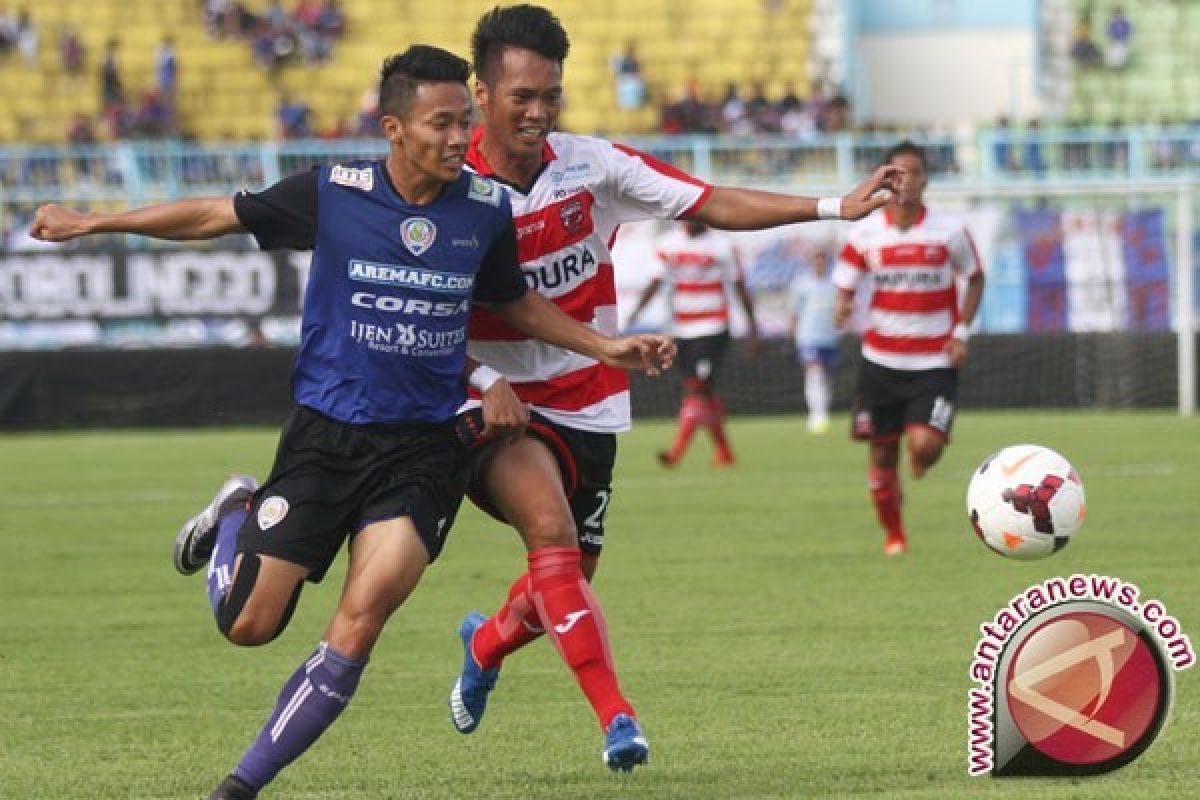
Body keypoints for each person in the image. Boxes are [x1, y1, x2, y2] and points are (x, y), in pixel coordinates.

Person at [28, 45, 673, 800]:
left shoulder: (484, 210)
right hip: (326, 439)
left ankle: (238, 788)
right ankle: (239, 509)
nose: (459, 138)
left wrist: (605, 346)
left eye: (464, 122)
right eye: (442, 124)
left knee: (361, 621)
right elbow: (217, 213)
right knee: (250, 626)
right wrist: (95, 220)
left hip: (424, 454)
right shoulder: (336, 193)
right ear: (394, 128)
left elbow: (514, 304)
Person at [446, 3, 900, 773]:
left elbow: (710, 200)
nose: (537, 111)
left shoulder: (593, 166)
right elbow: (421, 309)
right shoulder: (446, 192)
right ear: (480, 94)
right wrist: (484, 377)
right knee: (552, 539)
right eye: (521, 95)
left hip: (589, 393)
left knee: (566, 578)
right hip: (494, 402)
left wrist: (834, 207)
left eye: (549, 95)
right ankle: (617, 718)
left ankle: (486, 640)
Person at [832, 140, 985, 556]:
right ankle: (894, 535)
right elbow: (844, 282)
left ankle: (920, 459)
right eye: (898, 173)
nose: (907, 181)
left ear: (926, 179)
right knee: (881, 454)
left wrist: (961, 333)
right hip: (879, 361)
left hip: (934, 360)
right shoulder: (864, 233)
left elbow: (975, 277)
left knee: (925, 446)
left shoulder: (949, 232)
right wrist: (842, 304)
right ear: (885, 178)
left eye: (915, 172)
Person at [626, 218, 758, 466]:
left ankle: (675, 453)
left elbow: (740, 286)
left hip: (712, 328)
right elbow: (655, 281)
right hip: (681, 330)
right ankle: (725, 452)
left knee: (695, 390)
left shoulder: (723, 246)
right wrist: (635, 312)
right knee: (703, 394)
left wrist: (752, 327)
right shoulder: (668, 244)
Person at [788, 244, 839, 434]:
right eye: (816, 257)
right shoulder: (801, 284)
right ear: (811, 261)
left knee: (826, 377)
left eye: (822, 257)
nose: (819, 261)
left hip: (829, 337)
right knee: (814, 373)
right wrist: (792, 336)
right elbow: (794, 313)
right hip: (808, 336)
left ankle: (823, 410)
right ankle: (817, 414)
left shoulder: (834, 283)